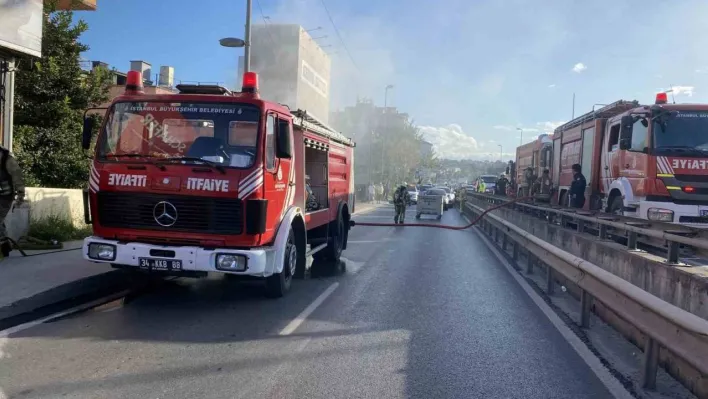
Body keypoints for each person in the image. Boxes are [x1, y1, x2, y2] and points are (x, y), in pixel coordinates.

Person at [0, 147, 25, 257]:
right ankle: (5, 247)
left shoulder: (7, 160)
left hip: (4, 198)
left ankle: (4, 248)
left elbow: (17, 176)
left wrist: (20, 194)